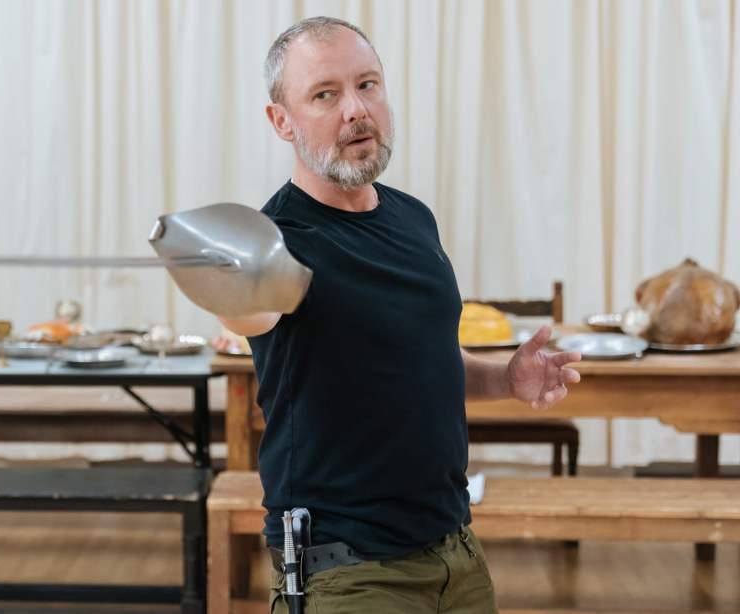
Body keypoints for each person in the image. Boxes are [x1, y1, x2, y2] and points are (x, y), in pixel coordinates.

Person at [215, 17, 583, 613]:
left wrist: (505, 379)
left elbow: (423, 360)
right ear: (281, 120)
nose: (356, 110)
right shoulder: (277, 245)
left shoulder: (413, 218)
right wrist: (226, 286)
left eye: (368, 84)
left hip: (456, 553)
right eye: (325, 94)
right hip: (348, 574)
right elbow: (244, 307)